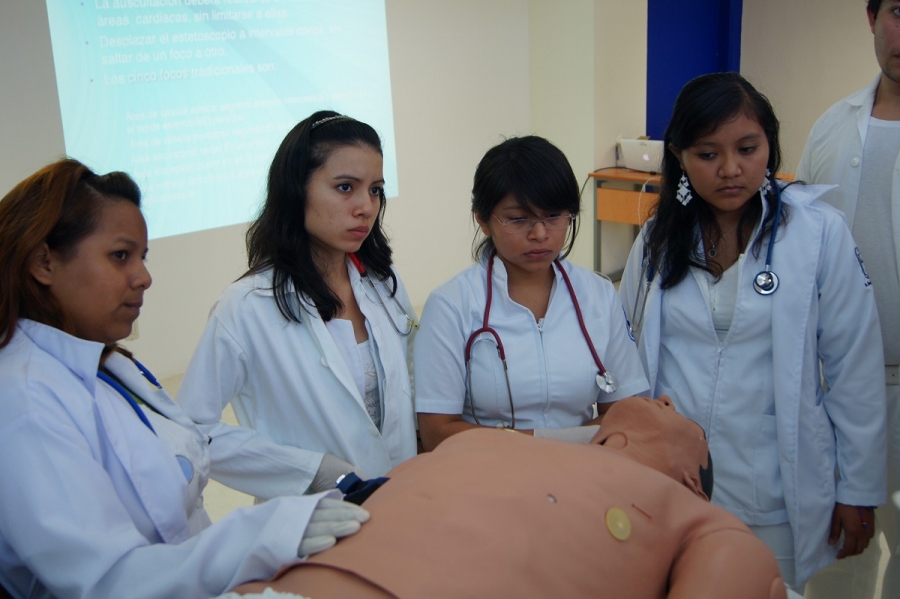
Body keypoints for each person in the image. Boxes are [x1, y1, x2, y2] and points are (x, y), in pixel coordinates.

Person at [0, 159, 370, 599]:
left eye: (142, 256)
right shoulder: (24, 398)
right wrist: (260, 532)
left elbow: (192, 442)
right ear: (43, 263)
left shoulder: (108, 368)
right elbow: (105, 582)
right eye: (120, 256)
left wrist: (310, 476)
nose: (144, 277)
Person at [619, 72, 887, 591]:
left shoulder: (816, 234)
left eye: (747, 148)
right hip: (674, 483)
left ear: (770, 143)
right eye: (707, 154)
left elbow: (854, 365)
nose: (731, 170)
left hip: (775, 486)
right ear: (679, 156)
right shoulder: (657, 240)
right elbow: (626, 347)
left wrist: (858, 487)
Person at [230, 396, 788, 599]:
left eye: (672, 412)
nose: (664, 398)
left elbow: (742, 573)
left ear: (692, 477)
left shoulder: (687, 512)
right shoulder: (477, 442)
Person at [178, 111, 418, 499]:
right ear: (296, 190)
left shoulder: (382, 285)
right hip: (311, 522)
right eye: (345, 187)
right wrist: (309, 471)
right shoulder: (247, 307)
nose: (365, 207)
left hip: (404, 504)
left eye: (375, 189)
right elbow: (190, 430)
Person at [414, 136, 649, 450]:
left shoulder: (598, 295)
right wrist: (556, 444)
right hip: (486, 479)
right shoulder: (451, 306)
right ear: (483, 220)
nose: (540, 234)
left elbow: (625, 411)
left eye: (554, 216)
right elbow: (436, 432)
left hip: (582, 475)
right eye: (518, 219)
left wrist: (555, 449)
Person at [795, 2, 900, 597]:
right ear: (872, 16)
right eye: (899, 12)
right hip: (831, 386)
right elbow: (797, 243)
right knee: (837, 553)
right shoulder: (834, 124)